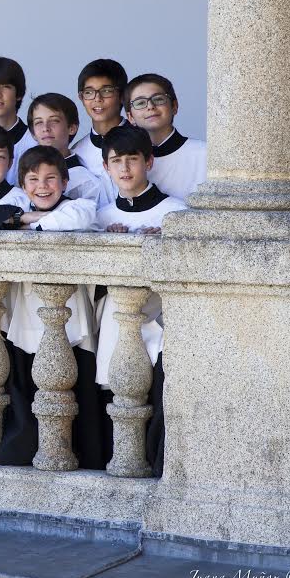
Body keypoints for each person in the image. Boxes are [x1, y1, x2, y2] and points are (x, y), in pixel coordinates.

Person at [0, 147, 103, 467]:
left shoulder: (79, 205)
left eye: (51, 178)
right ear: (23, 185)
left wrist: (24, 226)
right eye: (34, 179)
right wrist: (23, 217)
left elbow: (74, 220)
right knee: (26, 394)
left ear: (65, 182)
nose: (43, 186)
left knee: (75, 395)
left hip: (70, 322)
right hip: (25, 318)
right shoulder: (14, 205)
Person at [92, 124, 186, 477]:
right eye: (116, 161)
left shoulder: (174, 214)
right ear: (106, 167)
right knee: (118, 400)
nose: (125, 168)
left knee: (158, 400)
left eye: (132, 159)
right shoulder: (101, 217)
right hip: (116, 324)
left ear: (149, 161)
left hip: (161, 327)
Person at [125, 73, 207, 202]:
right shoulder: (125, 163)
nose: (150, 106)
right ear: (130, 117)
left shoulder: (204, 154)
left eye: (158, 99)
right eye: (140, 103)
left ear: (174, 106)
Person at [27, 93, 110, 208]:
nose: (45, 128)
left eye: (54, 121)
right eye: (39, 122)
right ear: (33, 133)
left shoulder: (85, 182)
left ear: (72, 128)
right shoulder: (27, 171)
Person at [70, 58, 128, 200]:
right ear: (81, 97)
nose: (97, 98)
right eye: (89, 92)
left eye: (106, 91)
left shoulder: (143, 140)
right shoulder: (77, 152)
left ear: (122, 96)